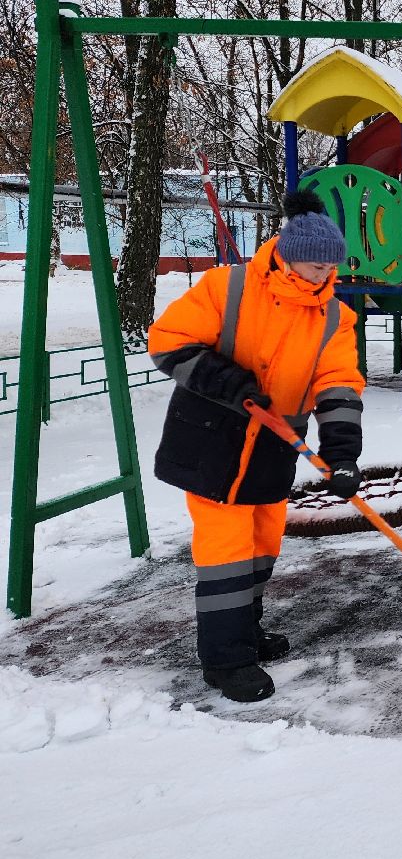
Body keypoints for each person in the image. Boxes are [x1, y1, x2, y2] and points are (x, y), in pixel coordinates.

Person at [148, 190, 364, 704]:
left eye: (331, 266)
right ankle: (226, 660)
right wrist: (231, 384)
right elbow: (167, 341)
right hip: (212, 439)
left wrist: (342, 454)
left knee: (263, 546)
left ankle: (244, 631)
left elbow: (337, 383)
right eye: (316, 265)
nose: (325, 275)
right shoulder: (229, 287)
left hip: (274, 446)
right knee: (225, 554)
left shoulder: (333, 316)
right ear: (289, 254)